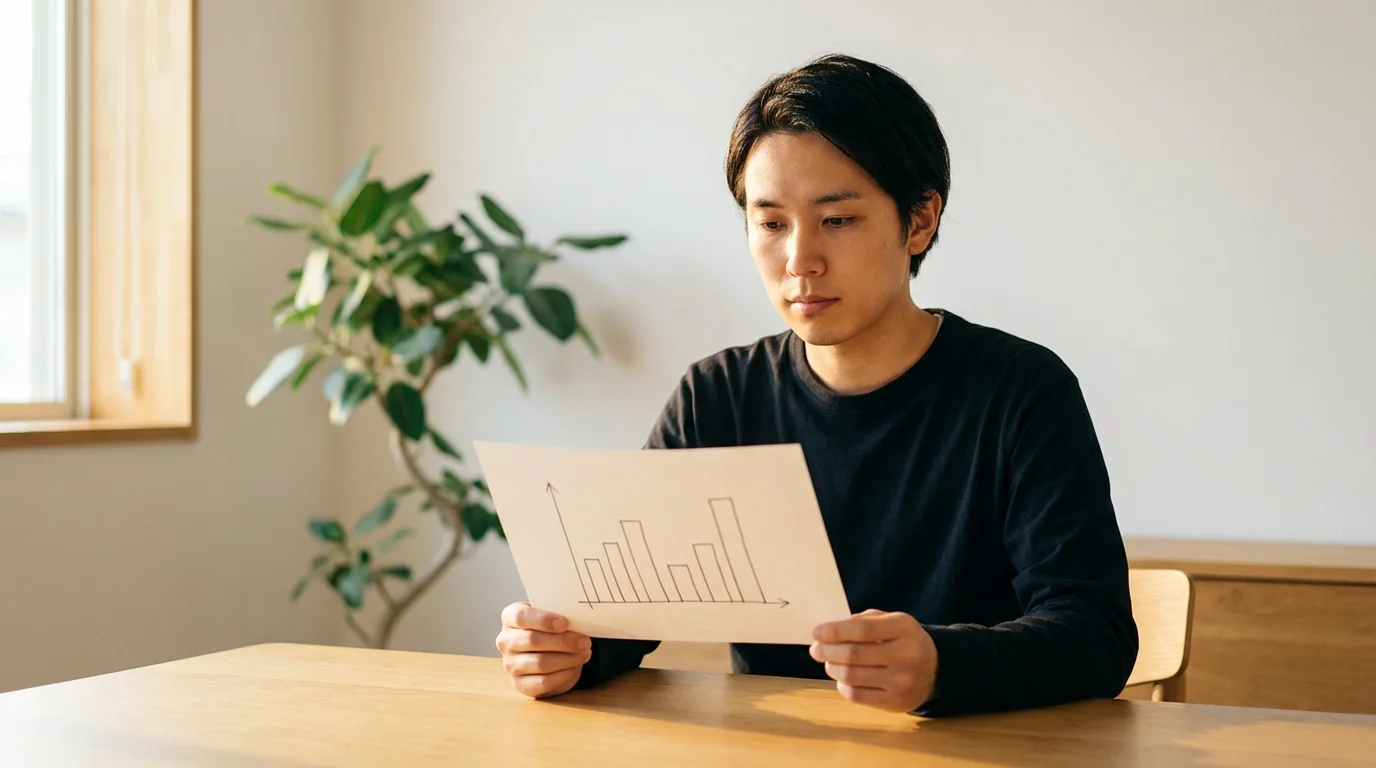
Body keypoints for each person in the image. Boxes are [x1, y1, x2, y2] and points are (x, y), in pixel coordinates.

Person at [494, 53, 1138, 717]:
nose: (800, 261)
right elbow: (627, 610)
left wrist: (944, 665)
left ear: (919, 220)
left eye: (837, 220)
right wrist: (567, 650)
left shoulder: (1021, 393)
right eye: (771, 223)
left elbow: (1095, 634)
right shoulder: (719, 397)